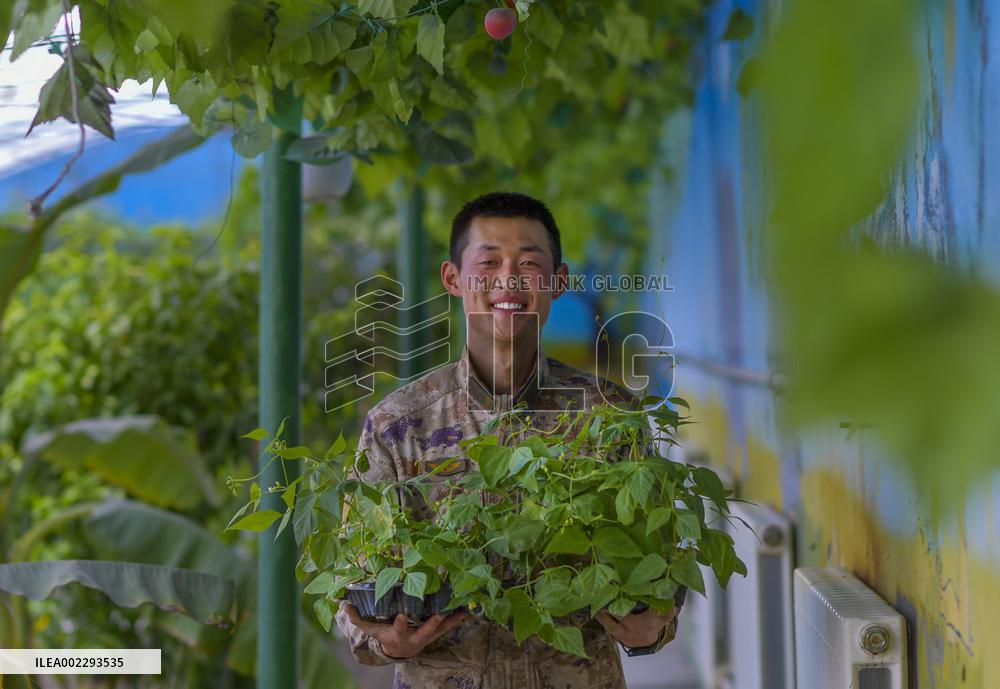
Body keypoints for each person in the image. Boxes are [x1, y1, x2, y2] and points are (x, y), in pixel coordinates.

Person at [335, 191, 678, 688]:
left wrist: (652, 629)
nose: (509, 280)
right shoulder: (398, 425)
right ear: (453, 279)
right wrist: (383, 641)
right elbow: (357, 582)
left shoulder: (609, 416)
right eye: (489, 262)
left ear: (558, 282)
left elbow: (658, 568)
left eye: (529, 263)